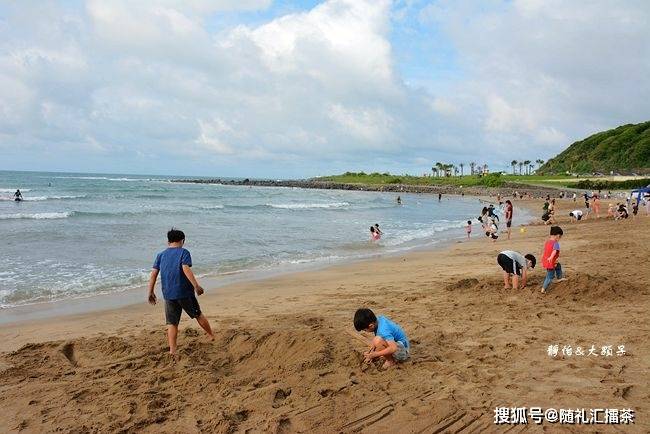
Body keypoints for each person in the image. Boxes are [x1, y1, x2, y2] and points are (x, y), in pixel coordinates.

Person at [147, 228, 214, 355]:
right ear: (183, 240)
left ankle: (173, 350)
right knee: (198, 314)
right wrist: (196, 286)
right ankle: (211, 335)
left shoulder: (160, 255)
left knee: (172, 323)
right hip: (184, 293)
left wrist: (150, 292)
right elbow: (185, 268)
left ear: (168, 242)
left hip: (168, 294)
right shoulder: (184, 252)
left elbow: (154, 274)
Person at [541, 226, 565, 294]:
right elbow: (554, 251)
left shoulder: (547, 242)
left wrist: (545, 258)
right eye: (560, 237)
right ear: (557, 235)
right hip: (550, 261)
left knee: (558, 266)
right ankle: (543, 289)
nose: (559, 239)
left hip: (546, 260)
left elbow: (545, 251)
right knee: (549, 276)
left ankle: (559, 277)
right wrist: (551, 257)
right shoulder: (555, 243)